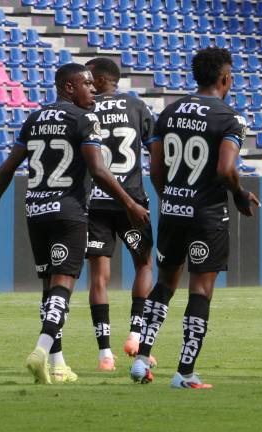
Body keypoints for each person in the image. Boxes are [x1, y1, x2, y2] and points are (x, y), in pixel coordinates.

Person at [0, 63, 150, 384]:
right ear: (69, 88)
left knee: (49, 287)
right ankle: (41, 350)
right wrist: (130, 203)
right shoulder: (85, 120)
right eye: (86, 84)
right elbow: (97, 170)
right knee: (64, 283)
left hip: (36, 210)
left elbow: (7, 168)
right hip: (69, 211)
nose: (93, 89)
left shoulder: (35, 118)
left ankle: (57, 364)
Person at [140, 47, 260, 389]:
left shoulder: (170, 112)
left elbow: (156, 168)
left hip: (173, 211)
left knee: (164, 283)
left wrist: (171, 200)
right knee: (201, 291)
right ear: (225, 78)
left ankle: (140, 358)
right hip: (207, 215)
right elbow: (225, 169)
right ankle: (185, 372)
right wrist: (238, 195)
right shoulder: (229, 118)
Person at [82, 57, 157, 372]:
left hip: (95, 203)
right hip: (133, 202)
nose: (85, 83)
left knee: (99, 277)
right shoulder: (137, 107)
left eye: (88, 78)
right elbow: (158, 153)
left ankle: (105, 356)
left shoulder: (84, 109)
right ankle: (136, 335)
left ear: (99, 81)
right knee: (144, 265)